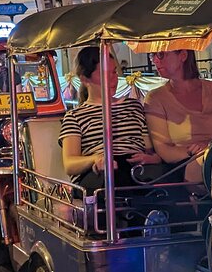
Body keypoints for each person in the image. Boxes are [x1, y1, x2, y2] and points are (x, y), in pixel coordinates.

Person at [60, 46, 159, 192]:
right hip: (99, 172)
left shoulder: (133, 106)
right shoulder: (74, 117)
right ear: (85, 79)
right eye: (105, 74)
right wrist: (95, 159)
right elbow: (70, 164)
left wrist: (151, 158)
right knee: (114, 177)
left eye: (113, 72)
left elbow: (149, 148)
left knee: (169, 179)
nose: (113, 79)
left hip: (135, 168)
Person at [144, 49, 212, 186]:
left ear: (183, 55)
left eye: (161, 54)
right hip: (185, 165)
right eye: (152, 55)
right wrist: (203, 153)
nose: (155, 60)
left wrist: (210, 148)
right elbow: (164, 150)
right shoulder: (156, 98)